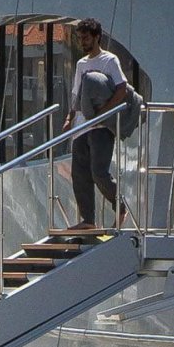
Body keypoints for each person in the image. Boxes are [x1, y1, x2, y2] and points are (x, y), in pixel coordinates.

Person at [63, 17, 129, 230]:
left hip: (102, 127)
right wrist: (69, 119)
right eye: (80, 38)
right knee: (79, 173)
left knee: (98, 171)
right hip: (82, 126)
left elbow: (121, 89)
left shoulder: (109, 60)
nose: (82, 42)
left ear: (96, 37)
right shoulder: (82, 64)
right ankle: (88, 220)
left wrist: (104, 111)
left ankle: (120, 204)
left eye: (85, 38)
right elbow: (76, 95)